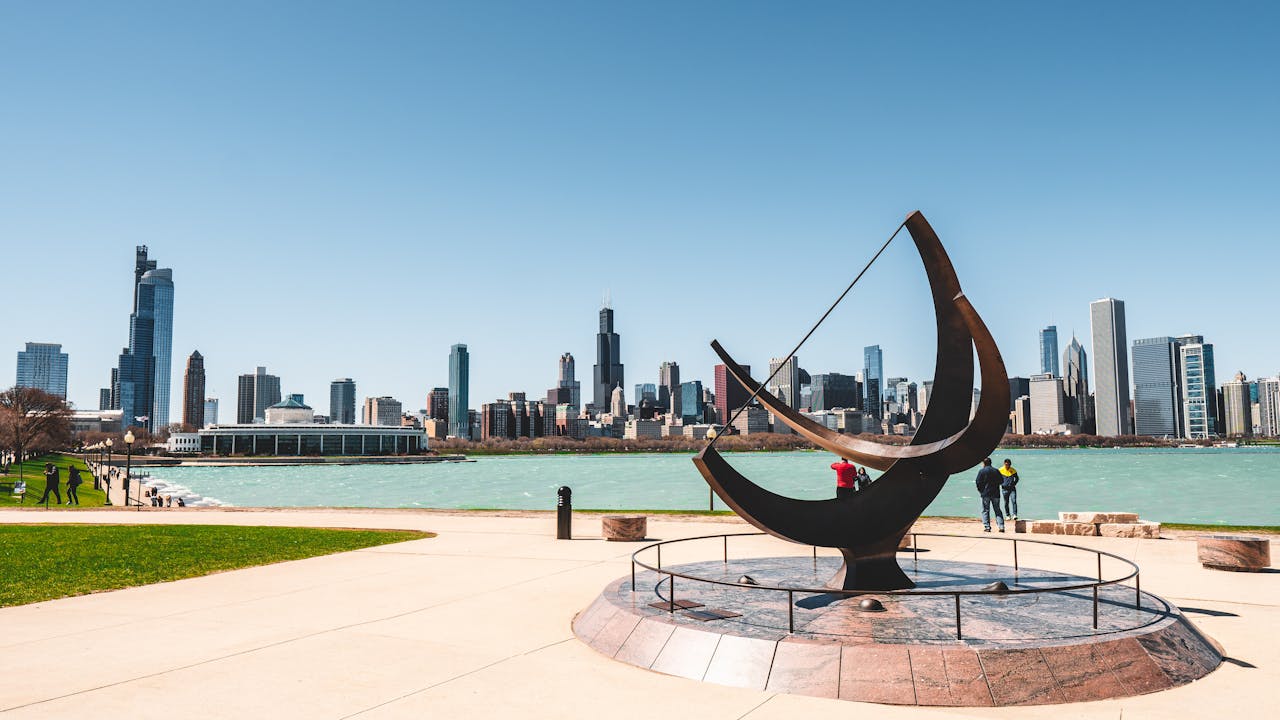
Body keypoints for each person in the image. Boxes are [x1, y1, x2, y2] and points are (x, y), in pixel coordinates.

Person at [974, 457, 1005, 532]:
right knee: (997, 510)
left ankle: (987, 527)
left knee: (985, 510)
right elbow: (1001, 481)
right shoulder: (996, 471)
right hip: (995, 493)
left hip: (985, 493)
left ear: (984, 463)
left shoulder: (982, 471)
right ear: (991, 463)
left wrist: (981, 491)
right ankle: (1001, 527)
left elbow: (978, 482)